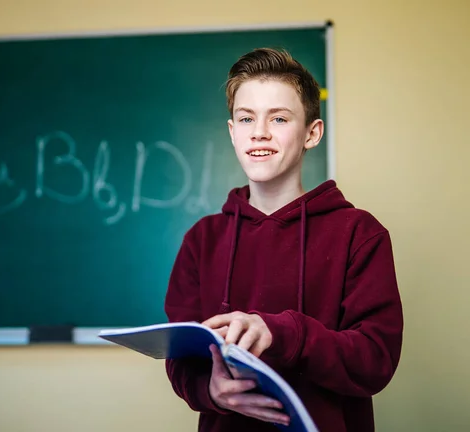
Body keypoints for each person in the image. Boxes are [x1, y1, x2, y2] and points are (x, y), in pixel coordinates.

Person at [163, 47, 404, 432]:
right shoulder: (201, 240)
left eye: (278, 117)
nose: (259, 131)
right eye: (246, 118)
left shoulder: (360, 233)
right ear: (232, 131)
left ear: (312, 133)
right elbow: (181, 359)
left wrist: (284, 332)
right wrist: (208, 391)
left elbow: (375, 361)